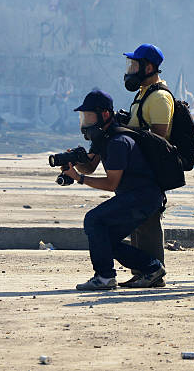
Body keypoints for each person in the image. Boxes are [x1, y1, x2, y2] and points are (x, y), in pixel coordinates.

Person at [62, 90, 166, 290]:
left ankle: (105, 277)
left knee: (93, 220)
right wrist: (74, 162)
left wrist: (79, 178)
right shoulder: (102, 138)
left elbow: (111, 184)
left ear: (105, 115)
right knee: (104, 239)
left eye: (89, 115)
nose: (85, 121)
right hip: (136, 196)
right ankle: (152, 268)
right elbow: (90, 166)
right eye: (83, 116)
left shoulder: (118, 142)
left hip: (143, 197)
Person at [121, 44, 174, 288]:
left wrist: (127, 131)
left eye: (134, 65)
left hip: (149, 174)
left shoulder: (159, 97)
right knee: (138, 225)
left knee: (149, 225)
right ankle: (142, 271)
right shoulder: (143, 94)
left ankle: (154, 273)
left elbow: (159, 139)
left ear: (149, 67)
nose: (130, 70)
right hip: (136, 173)